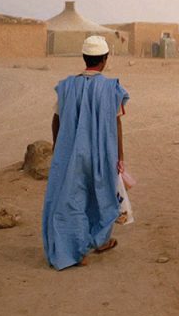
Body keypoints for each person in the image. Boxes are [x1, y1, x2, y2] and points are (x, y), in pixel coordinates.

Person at [42, 35, 129, 269]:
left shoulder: (67, 86)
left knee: (72, 198)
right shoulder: (112, 88)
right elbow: (116, 123)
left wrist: (58, 148)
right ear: (104, 60)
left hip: (71, 153)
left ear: (85, 58)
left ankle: (82, 246)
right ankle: (91, 243)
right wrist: (120, 156)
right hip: (101, 153)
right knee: (101, 194)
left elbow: (56, 119)